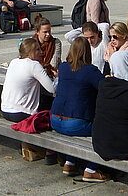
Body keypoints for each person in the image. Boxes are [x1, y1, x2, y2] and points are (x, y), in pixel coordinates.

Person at [51, 38, 106, 182]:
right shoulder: (90, 71)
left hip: (55, 120)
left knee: (74, 131)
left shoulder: (63, 68)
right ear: (87, 52)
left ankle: (70, 163)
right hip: (75, 123)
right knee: (104, 130)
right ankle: (91, 169)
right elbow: (105, 88)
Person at [0, 38, 56, 123]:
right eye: (37, 49)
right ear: (30, 52)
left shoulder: (14, 62)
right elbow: (52, 89)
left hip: (5, 110)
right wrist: (58, 77)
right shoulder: (34, 65)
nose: (41, 52)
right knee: (51, 102)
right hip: (21, 113)